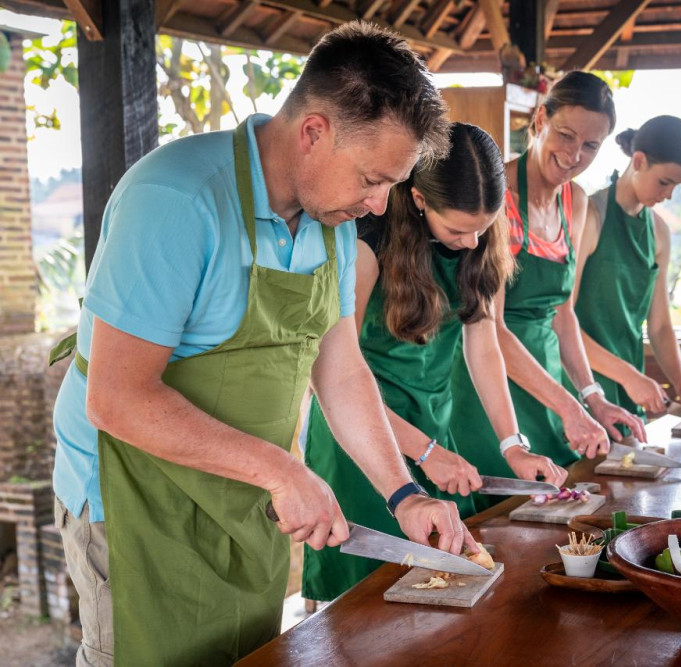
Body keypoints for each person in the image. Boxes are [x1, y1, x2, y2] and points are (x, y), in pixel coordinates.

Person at [49, 22, 476, 666]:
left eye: (390, 183)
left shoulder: (331, 217)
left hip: (240, 498)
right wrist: (280, 469)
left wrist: (403, 493)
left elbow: (339, 369)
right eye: (371, 179)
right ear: (313, 134)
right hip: (133, 504)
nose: (380, 206)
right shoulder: (175, 199)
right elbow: (115, 398)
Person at [302, 122, 568, 600]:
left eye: (483, 229)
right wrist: (422, 450)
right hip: (364, 434)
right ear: (420, 198)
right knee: (359, 604)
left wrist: (512, 445)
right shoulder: (366, 243)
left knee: (442, 591)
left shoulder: (476, 241)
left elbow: (483, 344)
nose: (470, 242)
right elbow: (336, 371)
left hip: (432, 428)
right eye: (458, 229)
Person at [451, 72, 646, 486]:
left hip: (550, 387)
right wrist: (571, 409)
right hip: (489, 388)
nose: (575, 155)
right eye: (566, 134)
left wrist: (592, 397)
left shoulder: (575, 202)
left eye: (591, 145)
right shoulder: (496, 198)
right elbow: (494, 330)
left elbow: (563, 314)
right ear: (541, 120)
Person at [572, 116, 681, 420]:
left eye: (676, 186)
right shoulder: (590, 216)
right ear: (638, 161)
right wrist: (628, 376)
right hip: (581, 388)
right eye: (664, 182)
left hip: (631, 391)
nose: (667, 195)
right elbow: (562, 321)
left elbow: (660, 326)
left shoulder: (659, 233)